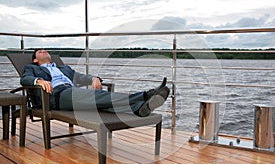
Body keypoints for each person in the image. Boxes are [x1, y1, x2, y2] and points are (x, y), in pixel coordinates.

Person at [20, 49, 170, 117]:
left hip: (72, 93)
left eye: (46, 50)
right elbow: (24, 79)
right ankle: (145, 95)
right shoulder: (32, 68)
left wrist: (94, 78)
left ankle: (138, 108)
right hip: (54, 96)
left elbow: (80, 77)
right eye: (40, 51)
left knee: (102, 102)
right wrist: (38, 81)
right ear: (35, 59)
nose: (44, 51)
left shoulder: (64, 69)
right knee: (98, 96)